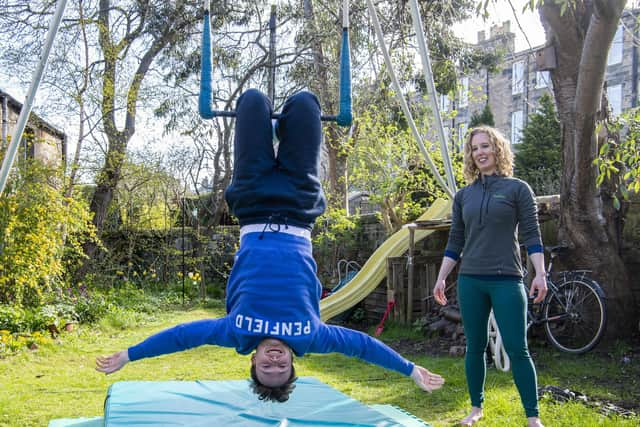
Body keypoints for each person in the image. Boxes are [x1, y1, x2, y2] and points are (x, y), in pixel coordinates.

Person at [97, 89, 444, 403]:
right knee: (306, 103)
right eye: (281, 368)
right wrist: (410, 370)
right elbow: (363, 347)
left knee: (251, 101)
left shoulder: (236, 332)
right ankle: (286, 133)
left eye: (267, 368)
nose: (274, 362)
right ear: (294, 361)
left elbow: (182, 336)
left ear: (253, 359)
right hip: (298, 204)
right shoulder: (312, 337)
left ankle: (273, 133)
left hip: (253, 202)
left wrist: (129, 354)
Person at [433, 126, 546, 427]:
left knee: (517, 348)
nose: (480, 152)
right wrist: (442, 277)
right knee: (475, 347)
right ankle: (475, 409)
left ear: (497, 149)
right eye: (474, 148)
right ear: (470, 155)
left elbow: (533, 236)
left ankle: (532, 417)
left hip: (507, 279)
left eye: (485, 146)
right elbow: (455, 241)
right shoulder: (463, 196)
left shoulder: (518, 189)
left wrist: (541, 275)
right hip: (471, 280)